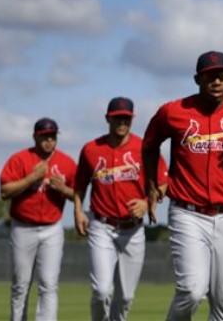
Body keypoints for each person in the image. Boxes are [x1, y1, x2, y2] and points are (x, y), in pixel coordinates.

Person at [143, 51, 223, 321]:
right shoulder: (173, 111)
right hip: (187, 212)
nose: (216, 81)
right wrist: (154, 182)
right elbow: (149, 145)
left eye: (222, 75)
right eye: (209, 76)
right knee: (191, 290)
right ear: (197, 79)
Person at [73, 97, 168, 321]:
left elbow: (163, 183)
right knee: (101, 290)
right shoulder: (91, 149)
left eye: (126, 118)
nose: (122, 122)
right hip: (101, 225)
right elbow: (79, 185)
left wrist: (147, 203)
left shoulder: (144, 147)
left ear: (132, 119)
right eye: (117, 118)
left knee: (125, 297)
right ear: (108, 118)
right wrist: (77, 211)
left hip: (133, 230)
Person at [0, 117, 77, 321]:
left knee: (49, 284)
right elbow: (5, 191)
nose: (49, 141)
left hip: (52, 228)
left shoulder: (66, 162)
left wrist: (63, 189)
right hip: (23, 227)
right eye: (44, 137)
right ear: (35, 137)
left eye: (52, 137)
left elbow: (79, 194)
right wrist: (31, 178)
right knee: (20, 284)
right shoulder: (20, 159)